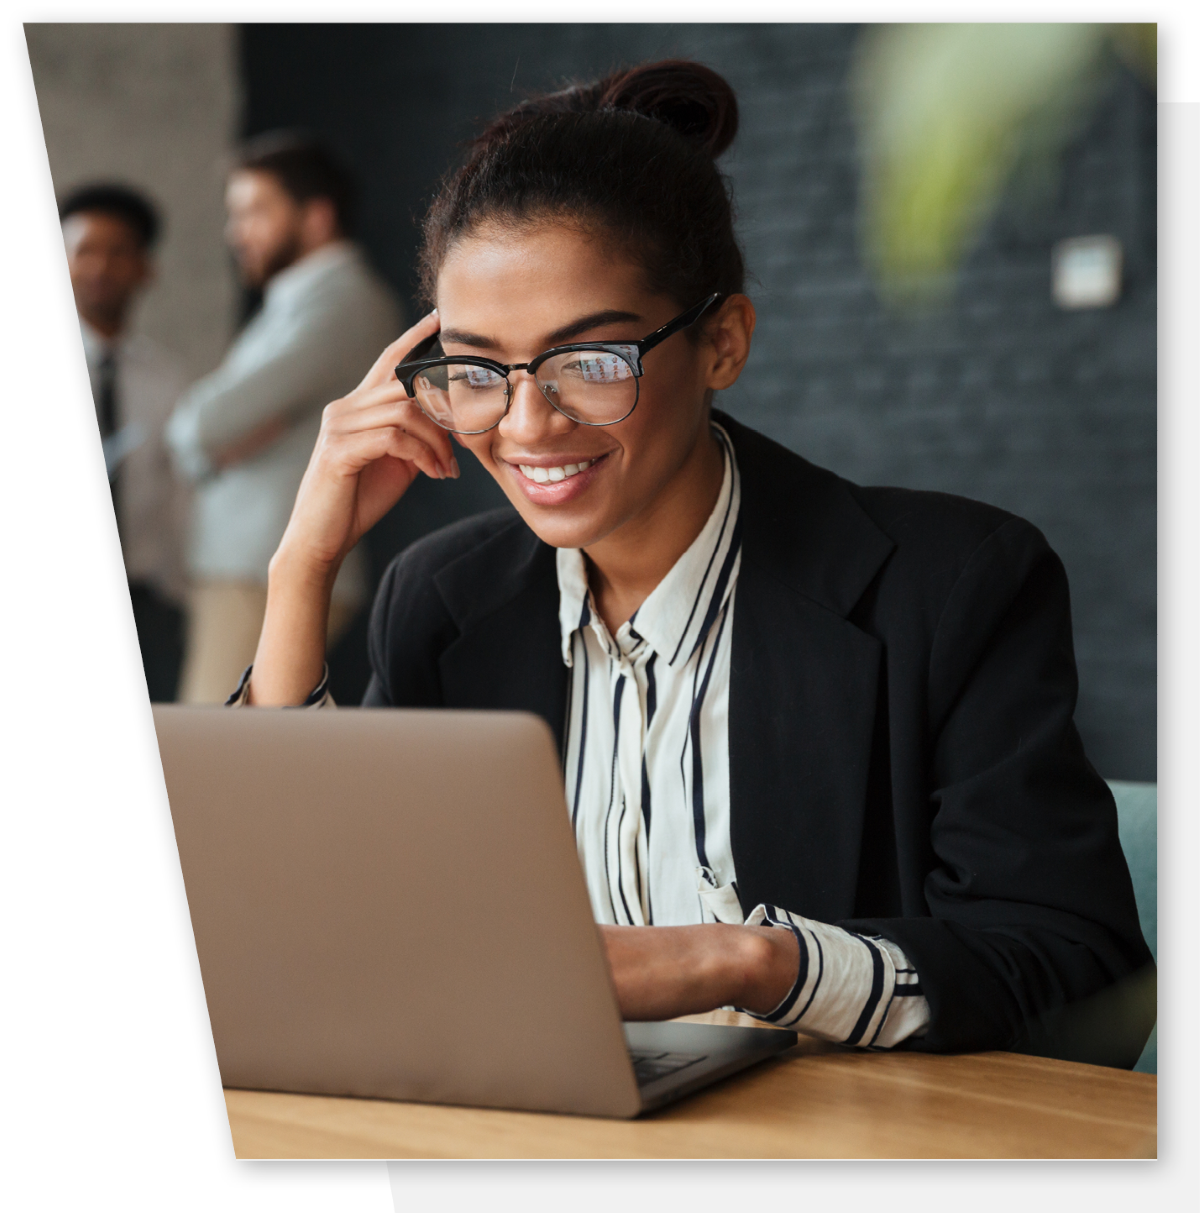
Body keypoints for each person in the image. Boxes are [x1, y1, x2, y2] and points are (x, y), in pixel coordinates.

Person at [233, 63, 1153, 1064]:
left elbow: (1076, 968)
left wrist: (742, 963)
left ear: (722, 342)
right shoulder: (444, 600)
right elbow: (314, 933)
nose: (527, 422)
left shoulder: (951, 585)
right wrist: (303, 564)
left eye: (591, 360)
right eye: (479, 369)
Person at [167, 133, 402, 704]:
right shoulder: (298, 300)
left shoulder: (342, 301)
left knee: (212, 763)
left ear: (317, 216)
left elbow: (200, 424)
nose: (235, 232)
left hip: (264, 569)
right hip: (251, 566)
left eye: (254, 211)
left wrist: (215, 441)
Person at [62, 183, 190, 702]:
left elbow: (180, 496)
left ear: (145, 267)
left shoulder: (168, 380)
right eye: (85, 250)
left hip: (147, 606)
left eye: (118, 252)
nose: (100, 267)